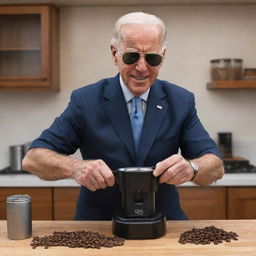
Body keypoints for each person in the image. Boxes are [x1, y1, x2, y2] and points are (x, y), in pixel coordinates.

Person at [22, 12, 224, 220]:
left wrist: (192, 168)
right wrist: (75, 167)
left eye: (152, 58)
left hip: (164, 220)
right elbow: (33, 159)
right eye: (132, 56)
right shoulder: (86, 100)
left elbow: (215, 166)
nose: (142, 68)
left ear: (163, 56)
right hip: (98, 224)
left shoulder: (181, 100)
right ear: (114, 54)